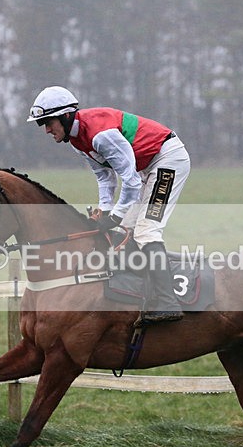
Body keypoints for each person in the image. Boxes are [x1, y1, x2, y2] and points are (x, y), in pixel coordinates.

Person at [27, 85, 190, 324]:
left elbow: (131, 181)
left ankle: (168, 302)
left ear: (65, 116)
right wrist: (104, 212)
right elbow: (105, 177)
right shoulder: (76, 140)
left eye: (48, 122)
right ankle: (143, 290)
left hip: (168, 160)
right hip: (146, 167)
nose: (46, 130)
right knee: (125, 229)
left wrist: (115, 215)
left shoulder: (100, 135)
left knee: (146, 230)